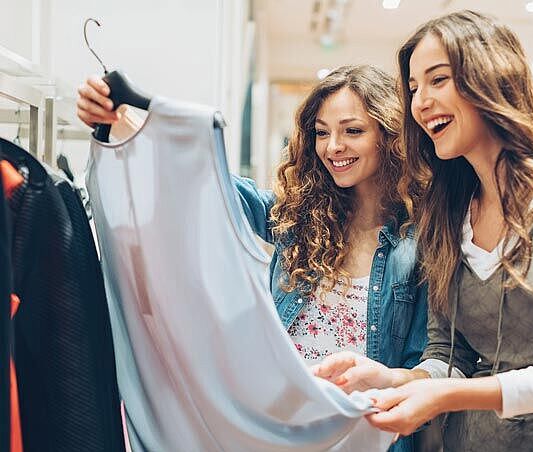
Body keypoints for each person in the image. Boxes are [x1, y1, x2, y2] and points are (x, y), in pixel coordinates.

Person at [77, 64, 429, 452]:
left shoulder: (422, 244)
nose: (332, 147)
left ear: (390, 135)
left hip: (362, 435)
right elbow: (214, 189)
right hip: (280, 431)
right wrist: (125, 121)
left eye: (353, 131)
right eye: (321, 133)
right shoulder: (301, 218)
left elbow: (423, 370)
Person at [313, 10, 533, 451]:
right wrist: (392, 377)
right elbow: (451, 356)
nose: (420, 101)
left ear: (491, 76)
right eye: (413, 88)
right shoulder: (446, 214)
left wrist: (447, 395)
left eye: (438, 80)